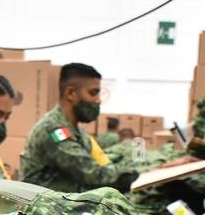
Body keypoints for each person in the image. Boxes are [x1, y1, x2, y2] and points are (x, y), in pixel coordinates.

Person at [21, 62, 136, 194]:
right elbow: (93, 173)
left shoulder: (77, 132)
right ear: (70, 93)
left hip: (65, 206)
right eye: (93, 93)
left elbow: (100, 162)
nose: (98, 100)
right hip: (42, 211)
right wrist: (134, 173)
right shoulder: (53, 130)